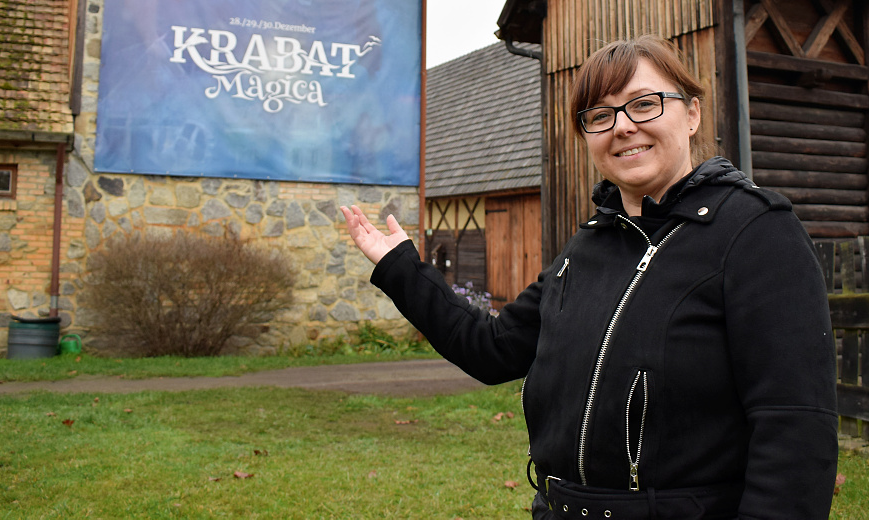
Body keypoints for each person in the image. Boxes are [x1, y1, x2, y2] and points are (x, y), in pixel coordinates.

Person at [341, 35, 838, 519]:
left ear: (692, 114)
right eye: (599, 116)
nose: (622, 127)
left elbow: (794, 429)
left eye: (644, 104)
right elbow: (491, 349)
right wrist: (399, 266)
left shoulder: (755, 232)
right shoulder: (590, 246)